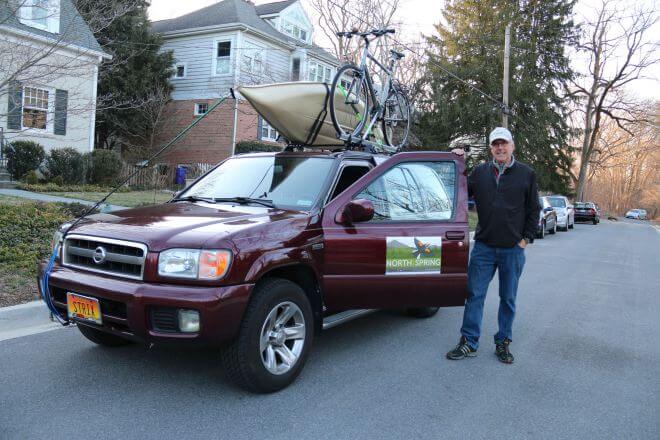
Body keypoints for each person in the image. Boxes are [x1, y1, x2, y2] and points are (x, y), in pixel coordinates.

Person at [447, 127, 539, 364]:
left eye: (504, 143)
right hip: (484, 247)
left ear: (512, 146)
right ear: (491, 148)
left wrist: (524, 239)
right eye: (495, 144)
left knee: (507, 298)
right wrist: (457, 161)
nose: (500, 148)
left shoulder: (526, 174)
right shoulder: (479, 173)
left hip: (512, 249)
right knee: (474, 294)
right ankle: (469, 342)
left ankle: (503, 342)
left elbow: (533, 210)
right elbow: (457, 189)